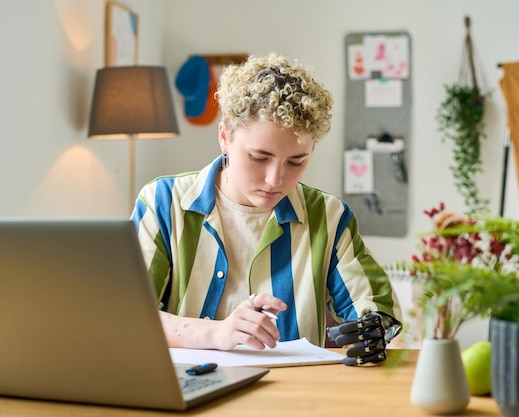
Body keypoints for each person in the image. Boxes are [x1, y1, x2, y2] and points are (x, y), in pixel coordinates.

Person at [131, 53, 402, 365]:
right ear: (224, 137)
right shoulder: (162, 203)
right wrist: (217, 333)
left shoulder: (328, 216)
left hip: (295, 397)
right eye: (259, 158)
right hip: (187, 390)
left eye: (296, 162)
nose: (275, 180)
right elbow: (128, 314)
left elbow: (376, 309)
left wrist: (373, 328)